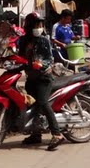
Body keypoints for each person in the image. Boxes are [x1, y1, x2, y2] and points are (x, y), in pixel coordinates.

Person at [17, 12, 64, 151]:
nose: (40, 27)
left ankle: (57, 134)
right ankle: (36, 135)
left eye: (41, 25)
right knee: (32, 105)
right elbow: (20, 57)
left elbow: (50, 59)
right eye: (37, 24)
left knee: (42, 102)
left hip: (44, 78)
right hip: (31, 77)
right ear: (29, 25)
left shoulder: (44, 40)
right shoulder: (24, 40)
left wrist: (41, 64)